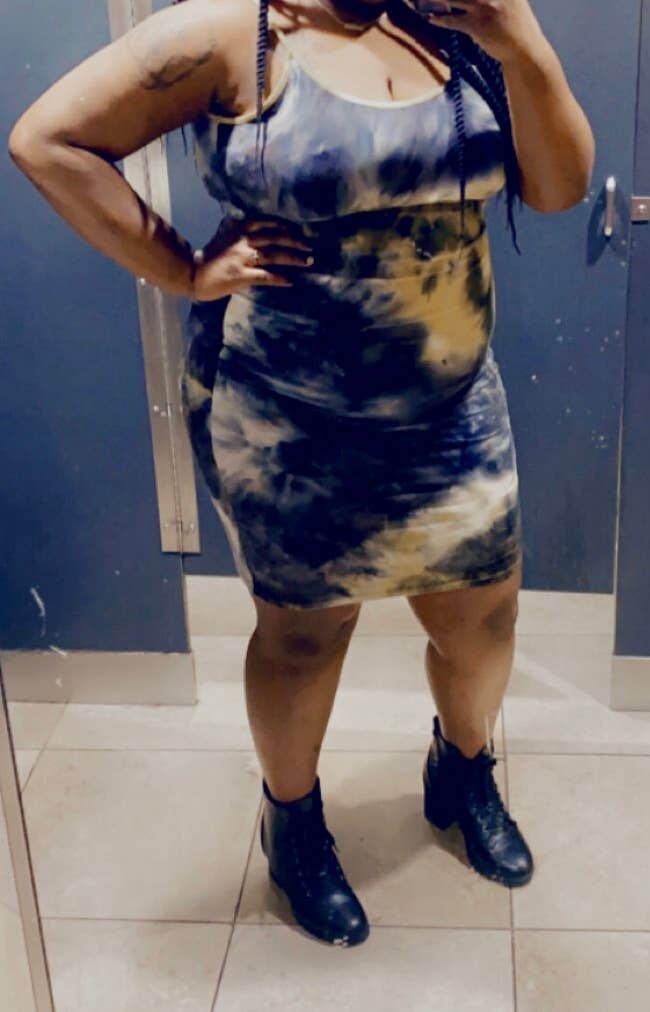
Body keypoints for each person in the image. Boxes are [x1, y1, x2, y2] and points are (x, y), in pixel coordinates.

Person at [9, 0, 595, 948]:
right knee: (305, 637)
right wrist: (183, 269)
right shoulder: (228, 34)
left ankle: (463, 771)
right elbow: (47, 141)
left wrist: (519, 38)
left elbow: (561, 187)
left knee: (484, 617)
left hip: (450, 407)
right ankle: (294, 824)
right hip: (290, 416)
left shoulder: (458, 22)